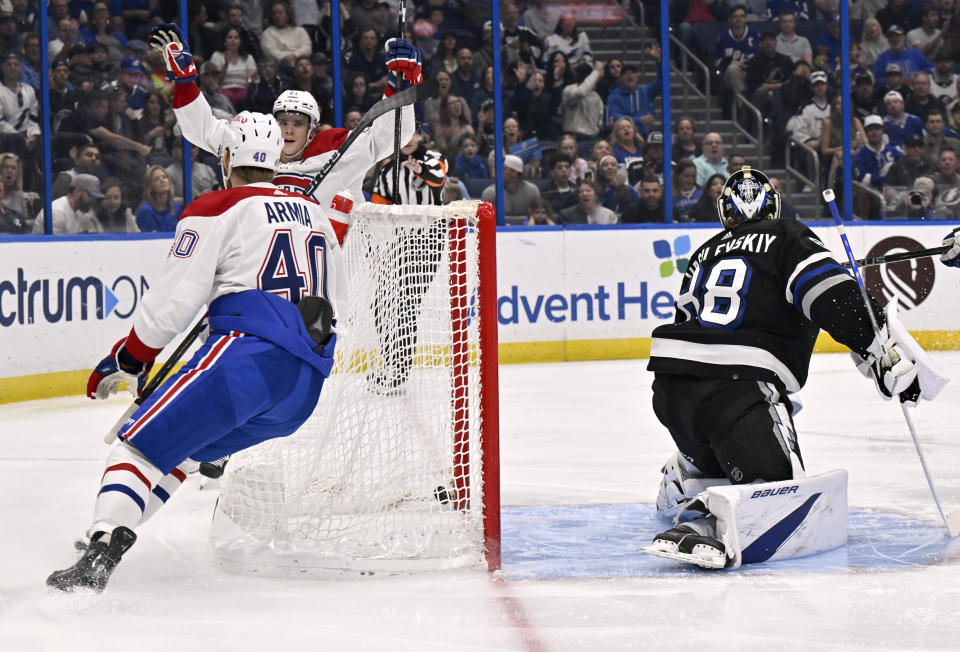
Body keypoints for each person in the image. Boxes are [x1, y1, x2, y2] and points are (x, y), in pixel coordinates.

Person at [46, 111, 343, 593]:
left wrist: (131, 357)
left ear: (228, 157)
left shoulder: (217, 206)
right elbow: (335, 307)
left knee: (137, 444)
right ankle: (116, 529)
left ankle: (102, 547)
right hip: (304, 388)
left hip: (246, 361)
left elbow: (173, 302)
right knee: (183, 453)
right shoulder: (315, 216)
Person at [643, 166, 929, 570]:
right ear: (773, 206)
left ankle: (690, 469)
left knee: (718, 429)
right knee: (777, 499)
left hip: (671, 390)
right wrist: (881, 349)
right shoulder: (787, 235)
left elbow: (691, 321)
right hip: (738, 389)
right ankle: (708, 522)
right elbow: (829, 295)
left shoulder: (702, 254)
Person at [151, 23, 419, 209]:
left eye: (298, 123)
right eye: (283, 122)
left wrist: (401, 85)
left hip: (335, 271)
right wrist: (186, 82)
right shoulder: (251, 141)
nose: (288, 130)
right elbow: (202, 129)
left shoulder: (337, 149)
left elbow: (390, 137)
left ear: (312, 129)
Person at [605, 47, 662, 139]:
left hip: (645, 137)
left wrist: (659, 61)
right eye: (625, 74)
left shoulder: (645, 91)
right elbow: (616, 117)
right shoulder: (614, 96)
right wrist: (639, 120)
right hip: (623, 138)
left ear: (637, 77)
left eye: (632, 73)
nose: (629, 76)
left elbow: (662, 81)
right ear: (620, 79)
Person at [32, 173, 104, 234]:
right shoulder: (57, 211)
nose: (93, 201)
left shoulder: (79, 212)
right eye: (90, 196)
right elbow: (53, 246)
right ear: (77, 191)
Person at [481, 154, 541, 224]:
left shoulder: (532, 191)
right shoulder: (490, 193)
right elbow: (485, 221)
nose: (498, 172)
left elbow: (539, 215)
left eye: (503, 169)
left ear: (514, 172)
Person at [136, 166, 182, 232]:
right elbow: (152, 239)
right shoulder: (145, 211)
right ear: (150, 187)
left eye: (164, 177)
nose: (162, 180)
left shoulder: (176, 206)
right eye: (156, 179)